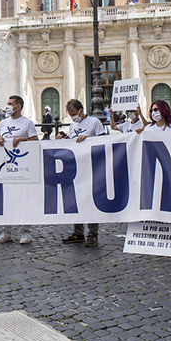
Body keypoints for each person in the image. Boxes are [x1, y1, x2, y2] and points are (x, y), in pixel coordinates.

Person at [0, 95, 39, 245]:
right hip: (5, 166)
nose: (7, 106)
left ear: (18, 106)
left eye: (10, 104)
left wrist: (22, 140)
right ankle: (6, 231)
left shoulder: (27, 123)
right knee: (6, 199)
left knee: (24, 199)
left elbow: (35, 141)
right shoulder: (2, 123)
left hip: (22, 167)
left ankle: (26, 232)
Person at [61, 99, 105, 247]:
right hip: (76, 166)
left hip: (91, 165)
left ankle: (93, 233)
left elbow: (103, 141)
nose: (73, 117)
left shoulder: (94, 122)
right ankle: (78, 232)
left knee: (90, 199)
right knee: (76, 200)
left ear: (81, 110)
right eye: (70, 115)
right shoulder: (72, 125)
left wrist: (88, 139)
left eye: (74, 113)